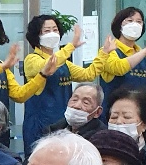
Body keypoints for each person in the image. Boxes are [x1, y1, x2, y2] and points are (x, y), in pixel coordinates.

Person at [21, 13, 96, 152]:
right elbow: (48, 65)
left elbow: (88, 74)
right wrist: (71, 46)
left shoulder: (64, 62)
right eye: (46, 31)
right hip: (40, 125)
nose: (52, 34)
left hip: (63, 123)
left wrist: (104, 54)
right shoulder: (32, 60)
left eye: (55, 30)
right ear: (36, 35)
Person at [92, 7, 146, 97]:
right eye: (130, 21)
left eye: (139, 22)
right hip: (116, 105)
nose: (135, 25)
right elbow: (118, 68)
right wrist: (145, 51)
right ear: (119, 25)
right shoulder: (108, 51)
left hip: (142, 106)